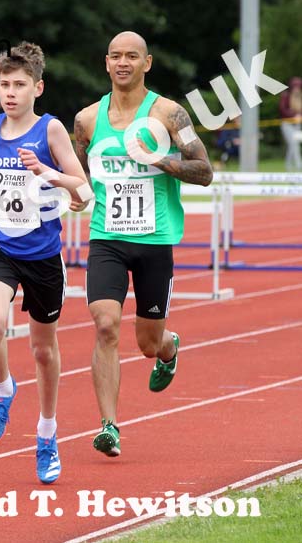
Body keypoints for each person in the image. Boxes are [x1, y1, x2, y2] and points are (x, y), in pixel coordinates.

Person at [73, 31, 213, 457]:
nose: (123, 63)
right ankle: (109, 426)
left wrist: (158, 159)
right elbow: (80, 175)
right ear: (106, 62)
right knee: (105, 325)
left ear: (146, 63)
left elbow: (204, 171)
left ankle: (169, 348)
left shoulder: (169, 114)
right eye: (116, 56)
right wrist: (75, 192)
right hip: (107, 238)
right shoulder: (86, 120)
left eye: (132, 56)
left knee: (147, 344)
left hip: (155, 239)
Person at [0, 42, 90, 484]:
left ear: (38, 88)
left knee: (42, 350)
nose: (10, 92)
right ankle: (3, 389)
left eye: (19, 85)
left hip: (42, 255)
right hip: (0, 248)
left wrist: (47, 172)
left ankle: (47, 433)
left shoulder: (50, 130)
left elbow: (83, 189)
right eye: (4, 84)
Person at [279, 76, 302, 171]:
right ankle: (298, 165)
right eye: (295, 86)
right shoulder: (285, 96)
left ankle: (288, 166)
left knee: (294, 144)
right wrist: (294, 115)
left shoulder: (299, 96)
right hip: (287, 123)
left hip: (297, 124)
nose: (297, 88)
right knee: (293, 143)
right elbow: (282, 110)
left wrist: (299, 116)